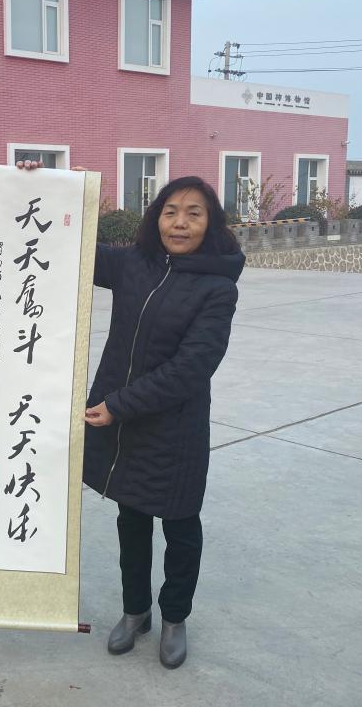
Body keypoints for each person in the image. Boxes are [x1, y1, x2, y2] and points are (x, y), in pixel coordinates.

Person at [82, 176, 244, 669]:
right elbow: (69, 244)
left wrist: (118, 404)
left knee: (180, 526)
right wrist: (44, 185)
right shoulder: (135, 264)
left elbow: (191, 368)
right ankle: (136, 612)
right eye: (171, 211)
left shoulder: (218, 288)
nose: (180, 223)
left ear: (210, 223)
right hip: (125, 424)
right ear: (156, 218)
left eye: (194, 213)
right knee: (131, 521)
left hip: (175, 429)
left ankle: (175, 617)